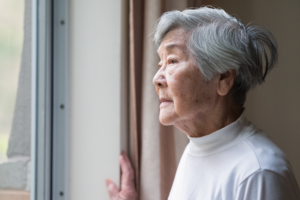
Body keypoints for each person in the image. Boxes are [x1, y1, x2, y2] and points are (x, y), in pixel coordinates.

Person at [106, 6, 300, 200]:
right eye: (160, 64)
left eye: (172, 61)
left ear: (223, 78)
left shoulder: (259, 173)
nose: (156, 78)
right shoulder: (197, 148)